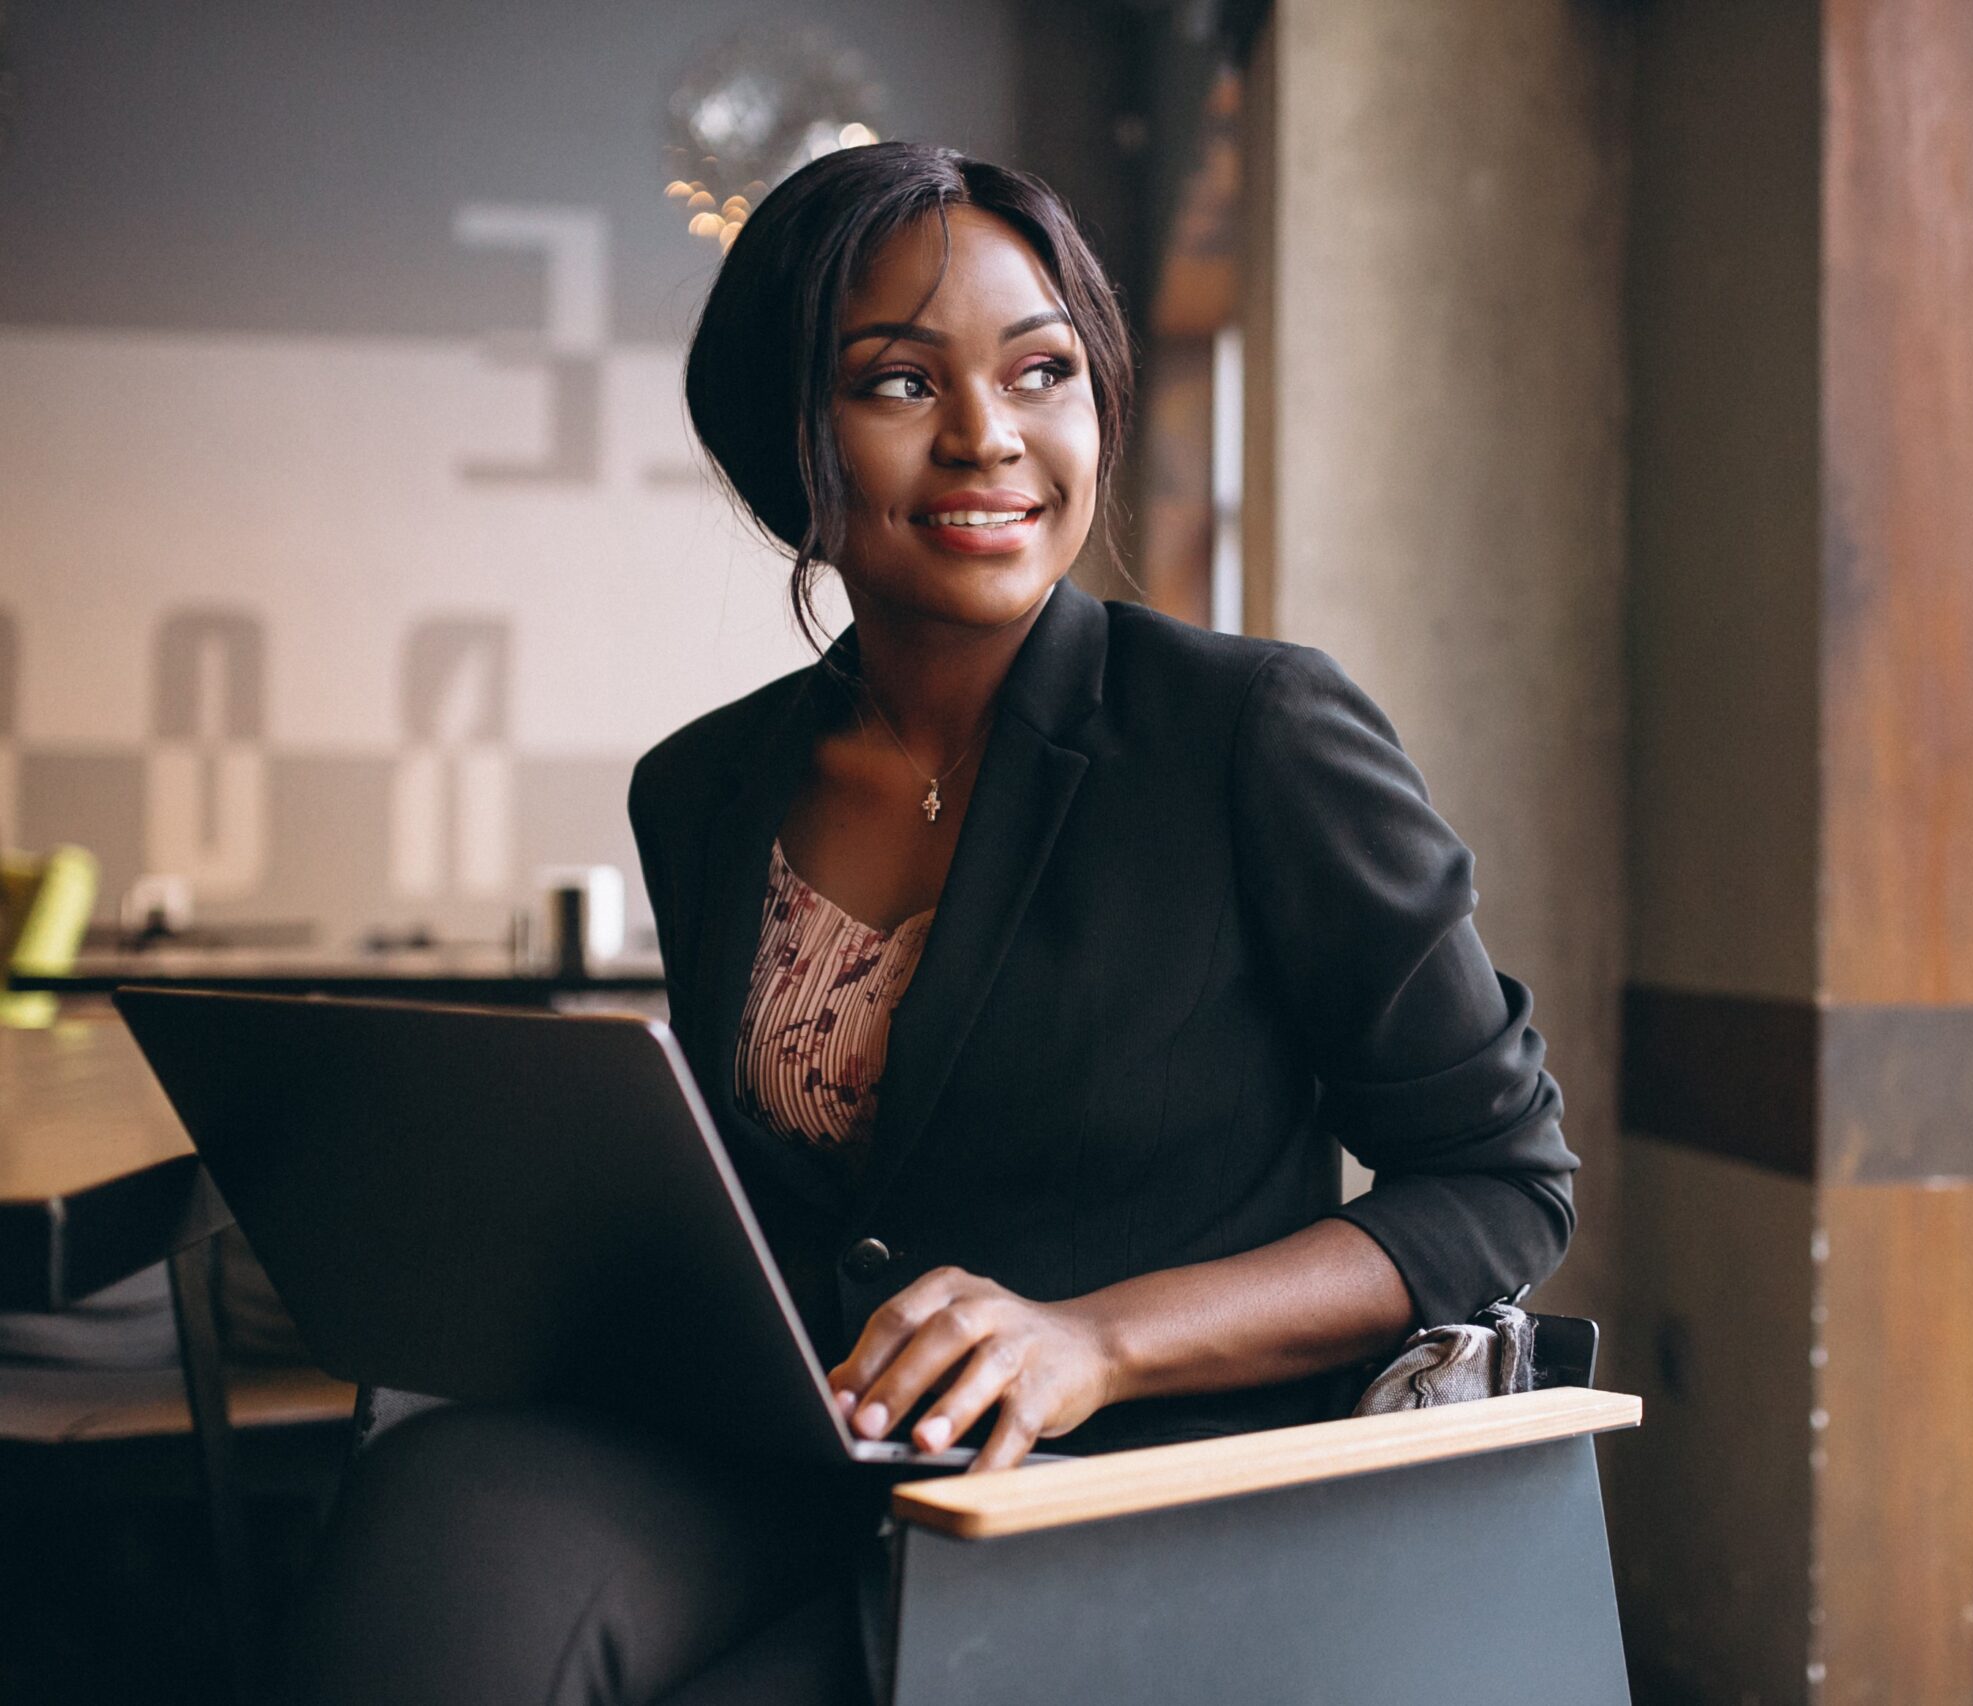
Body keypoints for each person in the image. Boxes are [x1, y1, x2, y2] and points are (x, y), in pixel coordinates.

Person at [277, 143, 1575, 1706]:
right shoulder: (705, 788)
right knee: (443, 1521)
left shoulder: (1255, 736)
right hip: (808, 1439)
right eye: (899, 385)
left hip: (1128, 1478)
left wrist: (1096, 1338)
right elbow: (777, 1210)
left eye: (1043, 371)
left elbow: (1499, 1183)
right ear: (791, 435)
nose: (989, 438)